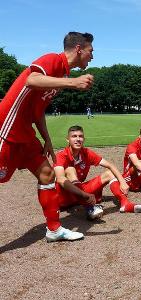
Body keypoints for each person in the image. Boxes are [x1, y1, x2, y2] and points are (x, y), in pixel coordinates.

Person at [0, 31, 95, 242]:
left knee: (48, 175)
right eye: (90, 51)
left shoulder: (62, 75)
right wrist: (73, 83)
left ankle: (54, 229)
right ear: (79, 48)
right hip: (7, 130)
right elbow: (31, 80)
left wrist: (47, 139)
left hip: (26, 135)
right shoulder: (53, 59)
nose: (92, 56)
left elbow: (37, 109)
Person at [54, 126, 141, 219]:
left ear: (84, 139)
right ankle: (90, 208)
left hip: (79, 194)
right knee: (70, 169)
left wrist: (122, 182)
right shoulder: (61, 156)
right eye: (74, 136)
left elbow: (110, 165)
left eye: (80, 136)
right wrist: (85, 195)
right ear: (67, 139)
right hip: (63, 199)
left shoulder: (86, 153)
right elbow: (61, 179)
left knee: (109, 173)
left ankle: (125, 204)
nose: (78, 139)